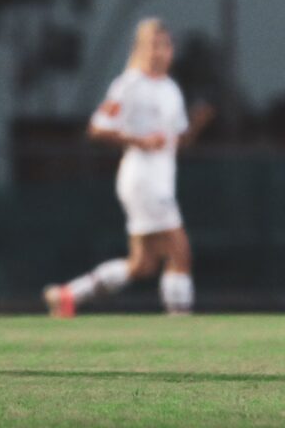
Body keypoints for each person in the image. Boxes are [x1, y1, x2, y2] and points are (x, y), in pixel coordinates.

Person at [44, 19, 213, 317]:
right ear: (141, 49)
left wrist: (197, 124)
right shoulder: (130, 84)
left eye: (166, 45)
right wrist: (139, 140)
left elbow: (177, 141)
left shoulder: (171, 88)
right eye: (154, 45)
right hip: (142, 179)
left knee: (143, 264)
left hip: (160, 180)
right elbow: (97, 127)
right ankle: (181, 323)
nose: (161, 52)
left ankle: (69, 295)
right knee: (180, 252)